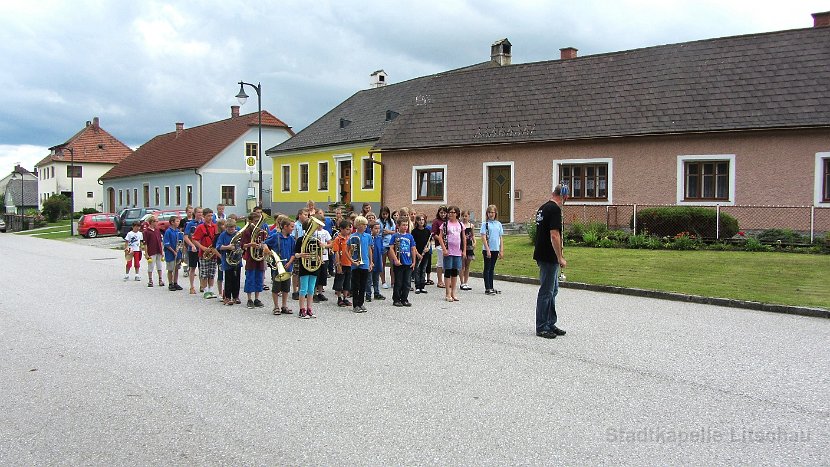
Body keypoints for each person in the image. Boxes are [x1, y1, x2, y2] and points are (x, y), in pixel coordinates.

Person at [534, 185, 568, 339]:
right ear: (564, 196)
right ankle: (542, 326)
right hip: (548, 255)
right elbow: (554, 234)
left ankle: (550, 322)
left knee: (553, 290)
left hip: (543, 253)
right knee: (546, 291)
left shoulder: (542, 208)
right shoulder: (554, 209)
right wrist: (559, 256)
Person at [264, 215, 296, 315]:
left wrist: (290, 262)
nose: (293, 228)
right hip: (277, 266)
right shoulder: (276, 236)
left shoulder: (291, 239)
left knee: (286, 287)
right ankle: (276, 306)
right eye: (291, 226)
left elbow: (293, 253)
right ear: (285, 227)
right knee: (276, 287)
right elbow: (265, 243)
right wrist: (267, 250)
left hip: (287, 266)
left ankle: (284, 305)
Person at [438, 206, 465, 302]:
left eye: (453, 212)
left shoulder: (460, 225)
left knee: (455, 272)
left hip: (458, 252)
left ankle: (453, 291)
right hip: (448, 251)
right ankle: (447, 293)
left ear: (457, 214)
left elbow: (463, 238)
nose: (451, 214)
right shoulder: (445, 225)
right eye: (449, 212)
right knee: (448, 271)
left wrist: (464, 250)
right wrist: (444, 249)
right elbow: (440, 237)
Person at [388, 217, 417, 307]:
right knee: (399, 282)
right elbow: (391, 249)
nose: (405, 227)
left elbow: (413, 249)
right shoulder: (395, 236)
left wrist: (414, 261)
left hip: (408, 262)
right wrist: (395, 259)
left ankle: (404, 299)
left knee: (407, 283)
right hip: (399, 263)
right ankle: (396, 299)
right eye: (403, 225)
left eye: (406, 225)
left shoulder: (410, 236)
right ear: (398, 226)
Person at [294, 219, 319, 319]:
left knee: (311, 289)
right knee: (303, 289)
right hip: (304, 266)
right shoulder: (300, 239)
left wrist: (318, 257)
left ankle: (309, 309)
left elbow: (319, 252)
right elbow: (295, 254)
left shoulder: (315, 240)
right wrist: (300, 255)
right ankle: (301, 309)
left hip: (314, 266)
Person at [192, 208, 219, 299]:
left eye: (211, 216)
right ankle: (205, 290)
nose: (210, 218)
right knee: (204, 273)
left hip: (213, 253)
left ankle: (211, 290)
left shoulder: (215, 226)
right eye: (208, 216)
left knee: (212, 272)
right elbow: (194, 239)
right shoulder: (200, 227)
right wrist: (203, 248)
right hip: (204, 253)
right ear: (204, 216)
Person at [242, 211, 266, 309]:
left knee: (259, 278)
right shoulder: (247, 231)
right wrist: (250, 245)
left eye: (259, 221)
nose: (257, 223)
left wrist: (262, 246)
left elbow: (264, 242)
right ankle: (249, 299)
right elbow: (242, 245)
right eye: (256, 221)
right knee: (250, 278)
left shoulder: (261, 231)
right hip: (251, 258)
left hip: (259, 257)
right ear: (251, 221)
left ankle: (257, 298)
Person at [216, 215, 241, 306]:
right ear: (226, 228)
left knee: (237, 279)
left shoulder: (237, 233)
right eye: (229, 228)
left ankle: (236, 296)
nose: (231, 229)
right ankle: (227, 297)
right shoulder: (223, 235)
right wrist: (228, 247)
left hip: (237, 259)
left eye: (233, 228)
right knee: (228, 279)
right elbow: (218, 246)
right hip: (227, 260)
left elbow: (241, 244)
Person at [349, 215, 373, 313]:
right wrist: (352, 261)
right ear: (358, 225)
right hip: (356, 264)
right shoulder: (353, 236)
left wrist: (371, 262)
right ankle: (355, 305)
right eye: (364, 225)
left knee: (363, 284)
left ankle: (361, 303)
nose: (365, 226)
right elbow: (348, 250)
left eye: (366, 225)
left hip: (365, 263)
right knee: (356, 285)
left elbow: (369, 249)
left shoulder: (367, 236)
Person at [480, 204, 505, 295]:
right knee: (487, 268)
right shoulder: (485, 224)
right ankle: (487, 287)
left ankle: (491, 286)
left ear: (495, 213)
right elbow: (483, 237)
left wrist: (501, 250)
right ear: (487, 214)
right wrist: (487, 249)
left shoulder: (498, 224)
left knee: (492, 268)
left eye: (493, 212)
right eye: (489, 212)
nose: (491, 214)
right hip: (488, 249)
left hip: (495, 249)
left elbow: (500, 237)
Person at [331, 219, 353, 307]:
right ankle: (339, 298)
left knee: (347, 282)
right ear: (341, 229)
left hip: (349, 263)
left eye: (349, 229)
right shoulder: (338, 239)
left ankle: (345, 298)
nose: (348, 231)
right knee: (339, 281)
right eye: (347, 229)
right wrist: (338, 264)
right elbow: (336, 252)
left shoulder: (350, 238)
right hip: (341, 263)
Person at [312, 209, 332, 303]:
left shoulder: (325, 232)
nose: (321, 225)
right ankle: (313, 293)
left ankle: (320, 292)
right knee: (316, 275)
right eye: (319, 223)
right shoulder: (312, 232)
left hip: (324, 256)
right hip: (315, 257)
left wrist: (324, 245)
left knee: (323, 275)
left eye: (322, 223)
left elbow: (330, 244)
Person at [183, 207, 204, 294]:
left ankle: (202, 285)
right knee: (192, 268)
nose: (200, 214)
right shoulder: (190, 224)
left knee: (202, 268)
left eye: (201, 212)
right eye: (198, 212)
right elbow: (185, 236)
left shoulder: (204, 223)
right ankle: (192, 286)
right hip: (193, 249)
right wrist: (191, 245)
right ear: (194, 213)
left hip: (201, 248)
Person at [163, 216, 184, 291]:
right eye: (177, 221)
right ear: (172, 222)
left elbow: (181, 241)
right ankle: (170, 283)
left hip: (178, 252)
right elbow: (166, 243)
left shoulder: (178, 231)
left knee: (176, 268)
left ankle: (175, 282)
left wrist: (180, 250)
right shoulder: (168, 231)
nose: (178, 223)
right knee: (170, 269)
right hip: (170, 253)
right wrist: (173, 251)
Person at [412, 213, 432, 294]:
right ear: (417, 221)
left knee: (423, 269)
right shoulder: (414, 231)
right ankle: (417, 286)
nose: (421, 221)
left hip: (425, 254)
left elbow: (429, 242)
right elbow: (413, 244)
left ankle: (422, 286)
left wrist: (428, 248)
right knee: (417, 269)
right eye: (419, 220)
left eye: (423, 220)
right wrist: (417, 254)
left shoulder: (427, 231)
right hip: (417, 253)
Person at [143, 216, 165, 287]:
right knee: (151, 265)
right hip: (151, 251)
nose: (157, 223)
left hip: (158, 250)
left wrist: (162, 251)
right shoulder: (146, 232)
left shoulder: (157, 230)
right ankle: (150, 280)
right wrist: (146, 253)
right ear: (152, 222)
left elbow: (160, 241)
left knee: (159, 265)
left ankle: (160, 279)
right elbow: (145, 243)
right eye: (156, 221)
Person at [292, 208, 308, 300]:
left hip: (305, 251)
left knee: (303, 271)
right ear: (299, 215)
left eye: (307, 215)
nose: (307, 216)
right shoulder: (295, 225)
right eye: (305, 215)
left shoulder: (307, 225)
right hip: (298, 249)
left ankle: (302, 290)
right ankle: (295, 291)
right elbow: (293, 237)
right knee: (296, 272)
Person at [431, 206, 448, 289]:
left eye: (444, 213)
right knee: (440, 263)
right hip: (440, 245)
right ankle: (440, 281)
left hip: (448, 245)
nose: (443, 214)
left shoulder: (448, 221)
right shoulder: (436, 222)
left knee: (447, 263)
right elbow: (434, 234)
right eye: (441, 213)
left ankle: (447, 281)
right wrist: (441, 240)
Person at [368, 222, 386, 301]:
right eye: (375, 228)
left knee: (376, 278)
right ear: (371, 229)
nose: (377, 230)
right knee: (369, 279)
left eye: (379, 228)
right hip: (371, 260)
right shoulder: (369, 238)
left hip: (378, 260)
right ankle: (368, 294)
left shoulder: (379, 238)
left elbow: (381, 250)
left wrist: (381, 261)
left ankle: (376, 293)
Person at [459, 210, 476, 291]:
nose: (464, 217)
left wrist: (474, 242)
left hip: (469, 246)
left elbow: (473, 235)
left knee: (467, 265)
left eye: (466, 216)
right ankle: (462, 282)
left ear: (469, 216)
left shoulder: (471, 225)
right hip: (462, 246)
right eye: (463, 216)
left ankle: (466, 282)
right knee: (462, 265)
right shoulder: (460, 225)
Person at [378, 206, 395, 289]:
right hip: (382, 244)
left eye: (387, 214)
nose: (385, 216)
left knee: (393, 263)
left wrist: (389, 231)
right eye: (383, 214)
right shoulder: (378, 222)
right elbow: (376, 233)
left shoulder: (391, 221)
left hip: (390, 244)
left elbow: (395, 232)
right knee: (382, 264)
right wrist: (381, 233)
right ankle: (383, 281)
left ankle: (393, 282)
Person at [214, 218, 226, 298]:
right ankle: (220, 293)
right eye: (222, 225)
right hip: (221, 259)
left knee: (228, 276)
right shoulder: (217, 236)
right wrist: (220, 256)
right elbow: (214, 248)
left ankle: (227, 292)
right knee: (220, 276)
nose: (224, 226)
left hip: (228, 258)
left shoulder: (227, 235)